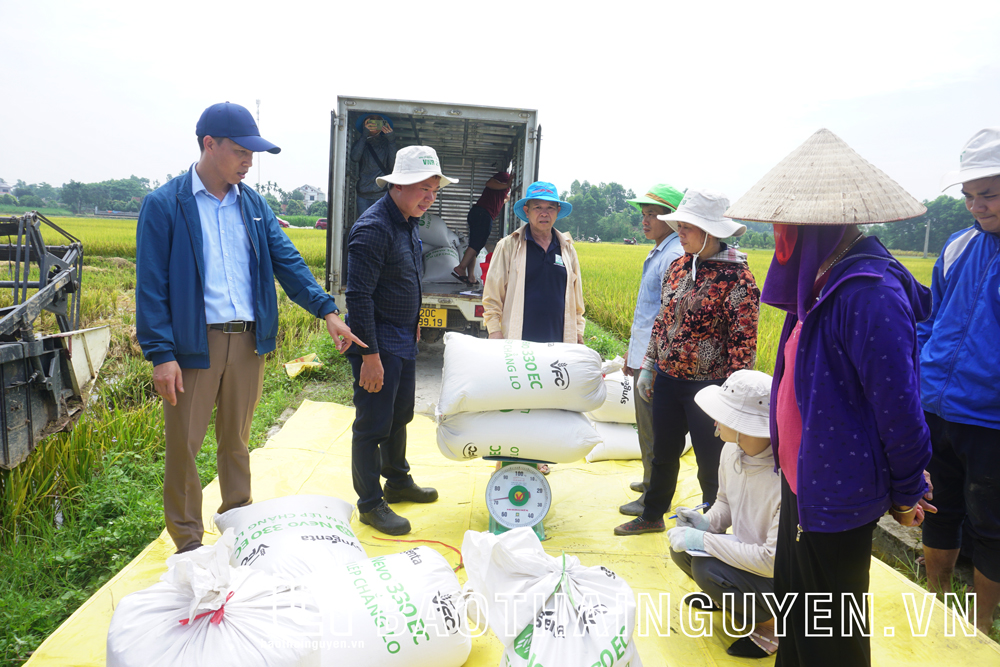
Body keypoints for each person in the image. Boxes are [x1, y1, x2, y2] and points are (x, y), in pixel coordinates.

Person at [726, 128, 935, 666]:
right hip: (805, 483)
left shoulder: (868, 293)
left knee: (833, 641)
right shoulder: (820, 281)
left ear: (813, 226)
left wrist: (908, 489)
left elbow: (900, 409)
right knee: (799, 630)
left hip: (838, 494)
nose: (777, 237)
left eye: (783, 225)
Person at [136, 102, 363, 554]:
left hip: (247, 343)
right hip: (193, 345)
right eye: (240, 151)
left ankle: (239, 529)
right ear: (209, 144)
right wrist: (161, 354)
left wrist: (328, 311)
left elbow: (288, 263)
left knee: (236, 442)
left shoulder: (253, 205)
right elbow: (152, 285)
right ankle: (189, 546)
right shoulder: (166, 205)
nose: (248, 161)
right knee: (185, 447)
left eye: (252, 154)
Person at [615, 189, 759, 536]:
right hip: (667, 377)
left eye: (687, 227)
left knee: (712, 463)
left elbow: (744, 344)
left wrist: (733, 397)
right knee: (662, 453)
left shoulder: (737, 279)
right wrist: (650, 365)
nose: (680, 232)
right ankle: (652, 515)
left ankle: (713, 526)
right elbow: (662, 320)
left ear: (711, 231)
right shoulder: (680, 267)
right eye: (678, 225)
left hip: (709, 387)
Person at [345, 145, 458, 536]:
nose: (431, 197)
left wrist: (412, 330)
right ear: (400, 185)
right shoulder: (374, 228)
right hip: (376, 343)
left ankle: (397, 481)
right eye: (424, 189)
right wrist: (369, 357)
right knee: (372, 424)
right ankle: (370, 502)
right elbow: (358, 297)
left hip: (401, 341)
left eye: (434, 190)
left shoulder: (408, 223)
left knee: (399, 416)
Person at [919, 127, 1000, 634]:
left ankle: (981, 624)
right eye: (969, 196)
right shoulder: (957, 247)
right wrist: (921, 364)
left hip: (990, 417)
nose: (976, 206)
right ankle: (934, 599)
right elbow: (932, 317)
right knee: (937, 507)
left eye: (988, 194)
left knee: (990, 524)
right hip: (936, 406)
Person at [668, 369, 781, 659]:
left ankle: (772, 627)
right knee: (682, 552)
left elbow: (771, 561)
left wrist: (704, 540)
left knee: (707, 569)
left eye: (723, 416)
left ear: (744, 426)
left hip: (776, 575)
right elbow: (725, 503)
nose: (716, 422)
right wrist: (705, 522)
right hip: (745, 553)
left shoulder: (783, 479)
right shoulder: (731, 450)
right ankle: (728, 601)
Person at [618, 183, 685, 517]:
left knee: (655, 432)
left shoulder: (672, 256)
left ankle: (652, 497)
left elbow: (667, 317)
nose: (645, 221)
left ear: (672, 219)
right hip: (646, 357)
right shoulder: (662, 250)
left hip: (656, 361)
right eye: (643, 214)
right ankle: (649, 482)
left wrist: (648, 363)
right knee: (647, 429)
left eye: (653, 214)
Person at [482, 181, 585, 345]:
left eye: (550, 208)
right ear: (527, 211)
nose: (544, 214)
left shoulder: (567, 249)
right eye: (537, 207)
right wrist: (494, 331)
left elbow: (577, 300)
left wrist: (578, 331)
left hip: (559, 341)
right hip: (518, 340)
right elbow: (492, 296)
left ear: (557, 211)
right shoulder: (508, 246)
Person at [453, 171, 512, 285]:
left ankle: (471, 277)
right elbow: (489, 183)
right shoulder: (505, 177)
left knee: (475, 246)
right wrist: (507, 184)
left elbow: (502, 199)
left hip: (478, 213)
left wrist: (506, 195)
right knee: (476, 245)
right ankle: (461, 267)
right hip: (483, 214)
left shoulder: (501, 193)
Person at [349, 113, 397, 218]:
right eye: (371, 121)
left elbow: (393, 166)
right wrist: (365, 134)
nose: (374, 124)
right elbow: (355, 157)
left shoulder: (386, 143)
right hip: (363, 195)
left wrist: (391, 140)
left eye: (377, 121)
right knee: (364, 226)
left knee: (382, 226)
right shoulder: (361, 143)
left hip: (382, 194)